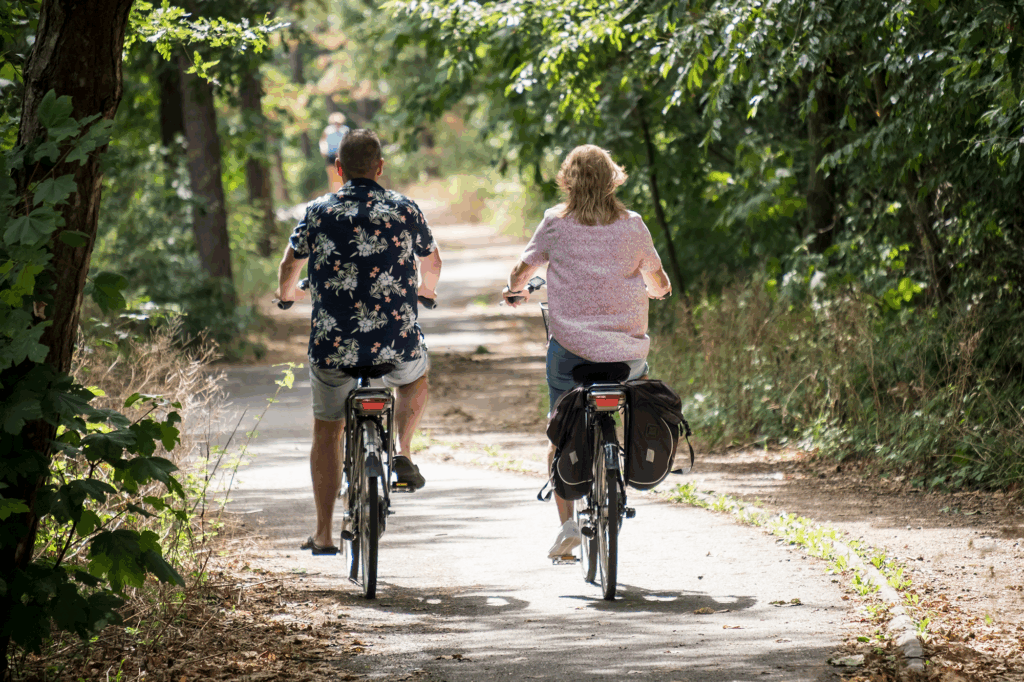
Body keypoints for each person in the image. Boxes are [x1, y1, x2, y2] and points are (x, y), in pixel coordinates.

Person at [276, 128, 442, 554]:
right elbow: (432, 261)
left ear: (339, 168)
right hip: (395, 344)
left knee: (327, 431)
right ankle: (403, 449)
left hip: (335, 347)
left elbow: (289, 266)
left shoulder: (318, 210)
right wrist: (427, 292)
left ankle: (325, 533)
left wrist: (286, 297)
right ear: (380, 167)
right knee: (415, 376)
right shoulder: (405, 208)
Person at [502, 144, 672, 559]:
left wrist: (517, 290)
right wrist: (655, 290)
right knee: (628, 395)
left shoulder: (555, 224)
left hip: (571, 355)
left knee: (560, 423)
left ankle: (566, 527)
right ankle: (619, 459)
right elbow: (659, 281)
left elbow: (522, 270)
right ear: (615, 179)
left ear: (567, 180)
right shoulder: (633, 226)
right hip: (625, 358)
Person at [319, 112, 350, 192]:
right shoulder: (328, 130)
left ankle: (343, 192)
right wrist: (323, 150)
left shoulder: (345, 130)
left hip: (342, 156)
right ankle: (334, 193)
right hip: (331, 155)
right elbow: (323, 141)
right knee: (332, 175)